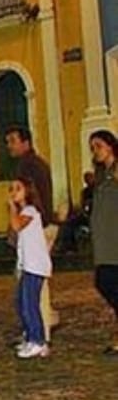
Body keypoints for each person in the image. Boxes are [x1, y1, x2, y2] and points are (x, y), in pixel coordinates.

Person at [6, 126, 59, 336]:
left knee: (34, 285)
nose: (9, 145)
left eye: (12, 140)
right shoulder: (33, 164)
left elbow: (32, 203)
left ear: (25, 142)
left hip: (38, 228)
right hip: (39, 226)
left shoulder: (29, 167)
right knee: (32, 284)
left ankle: (39, 331)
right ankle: (38, 326)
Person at [9, 176, 52, 359]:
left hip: (36, 266)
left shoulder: (31, 211)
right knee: (21, 303)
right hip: (27, 266)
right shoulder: (23, 212)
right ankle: (30, 337)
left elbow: (17, 226)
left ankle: (38, 341)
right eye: (11, 189)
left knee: (30, 304)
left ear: (27, 191)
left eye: (18, 188)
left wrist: (11, 207)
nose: (13, 192)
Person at [87, 129, 118, 355]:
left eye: (98, 146)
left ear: (110, 146)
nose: (94, 151)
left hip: (115, 239)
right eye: (92, 148)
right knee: (105, 281)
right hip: (104, 240)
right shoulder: (101, 175)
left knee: (107, 282)